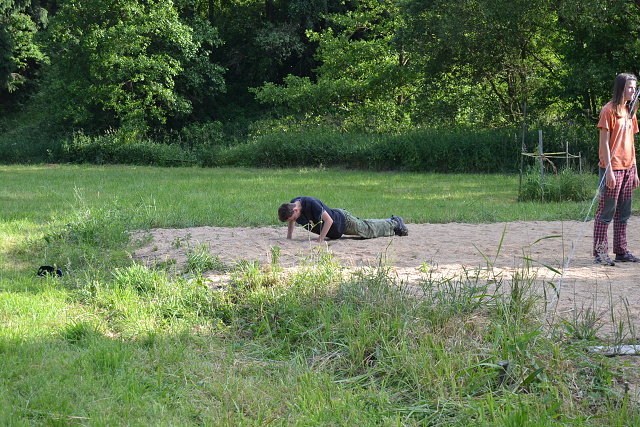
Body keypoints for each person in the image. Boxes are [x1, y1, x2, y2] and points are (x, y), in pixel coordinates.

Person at [593, 72, 640, 265]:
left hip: (628, 168)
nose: (633, 91)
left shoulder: (630, 111)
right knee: (606, 212)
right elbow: (604, 143)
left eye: (635, 88)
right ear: (621, 88)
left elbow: (631, 142)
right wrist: (609, 171)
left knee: (624, 213)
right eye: (630, 87)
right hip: (612, 169)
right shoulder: (608, 110)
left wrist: (635, 169)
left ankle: (621, 251)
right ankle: (600, 254)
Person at [278, 196, 408, 243]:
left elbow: (329, 221)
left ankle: (395, 222)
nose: (294, 220)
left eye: (293, 218)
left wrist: (320, 240)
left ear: (295, 210)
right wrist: (289, 237)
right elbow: (291, 221)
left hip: (343, 221)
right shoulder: (293, 204)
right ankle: (390, 221)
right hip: (337, 229)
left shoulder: (311, 204)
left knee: (368, 230)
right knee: (365, 225)